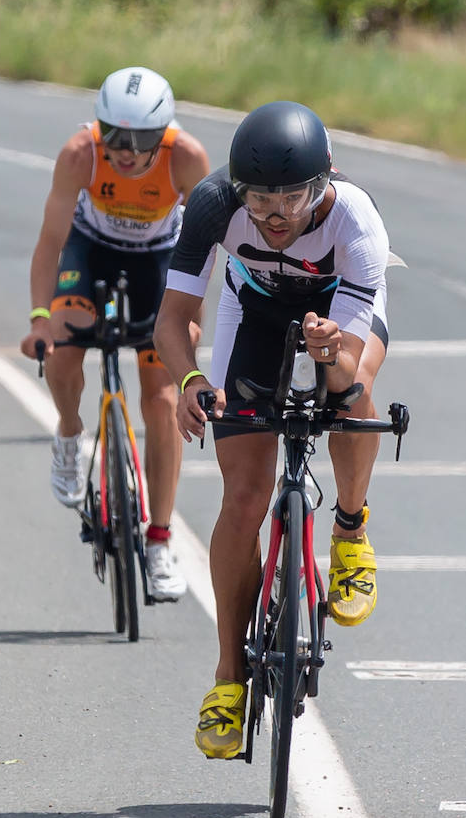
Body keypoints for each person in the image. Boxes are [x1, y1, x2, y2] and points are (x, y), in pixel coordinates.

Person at [154, 100, 392, 758]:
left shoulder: (356, 219)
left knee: (351, 391)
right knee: (244, 498)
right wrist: (188, 382)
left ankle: (349, 529)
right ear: (239, 191)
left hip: (336, 315)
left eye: (293, 196)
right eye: (260, 199)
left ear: (325, 184)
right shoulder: (211, 205)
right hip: (252, 313)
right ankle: (229, 678)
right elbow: (172, 319)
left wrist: (329, 348)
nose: (276, 214)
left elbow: (344, 358)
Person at [20, 66, 210, 600]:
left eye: (142, 139)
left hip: (160, 258)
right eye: (114, 136)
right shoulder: (80, 153)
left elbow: (209, 252)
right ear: (98, 128)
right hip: (92, 247)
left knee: (163, 391)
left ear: (165, 135)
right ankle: (67, 431)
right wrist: (39, 319)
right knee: (62, 340)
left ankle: (159, 539)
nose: (126, 151)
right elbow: (50, 243)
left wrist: (190, 317)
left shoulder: (188, 159)